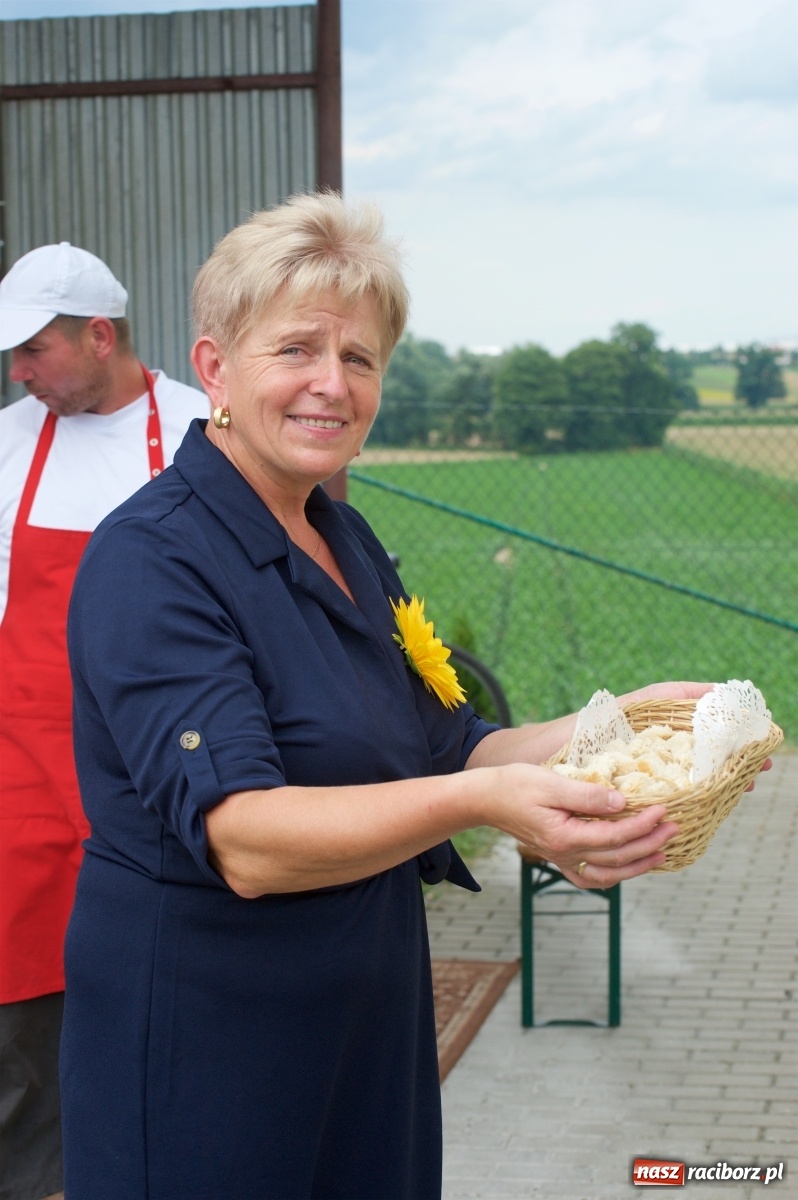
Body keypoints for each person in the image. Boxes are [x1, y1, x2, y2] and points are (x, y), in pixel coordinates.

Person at [60, 194, 717, 1200]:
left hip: (365, 1026)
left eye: (360, 358)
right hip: (210, 1043)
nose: (333, 384)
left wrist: (623, 723)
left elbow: (451, 745)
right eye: (297, 349)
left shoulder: (344, 537)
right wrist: (483, 805)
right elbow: (246, 840)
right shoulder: (154, 560)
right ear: (214, 369)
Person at [0, 242, 209, 1200]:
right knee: (22, 1029)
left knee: (167, 1008)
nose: (19, 372)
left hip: (164, 776)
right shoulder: (8, 444)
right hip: (26, 784)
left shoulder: (205, 431)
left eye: (34, 350)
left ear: (99, 335)